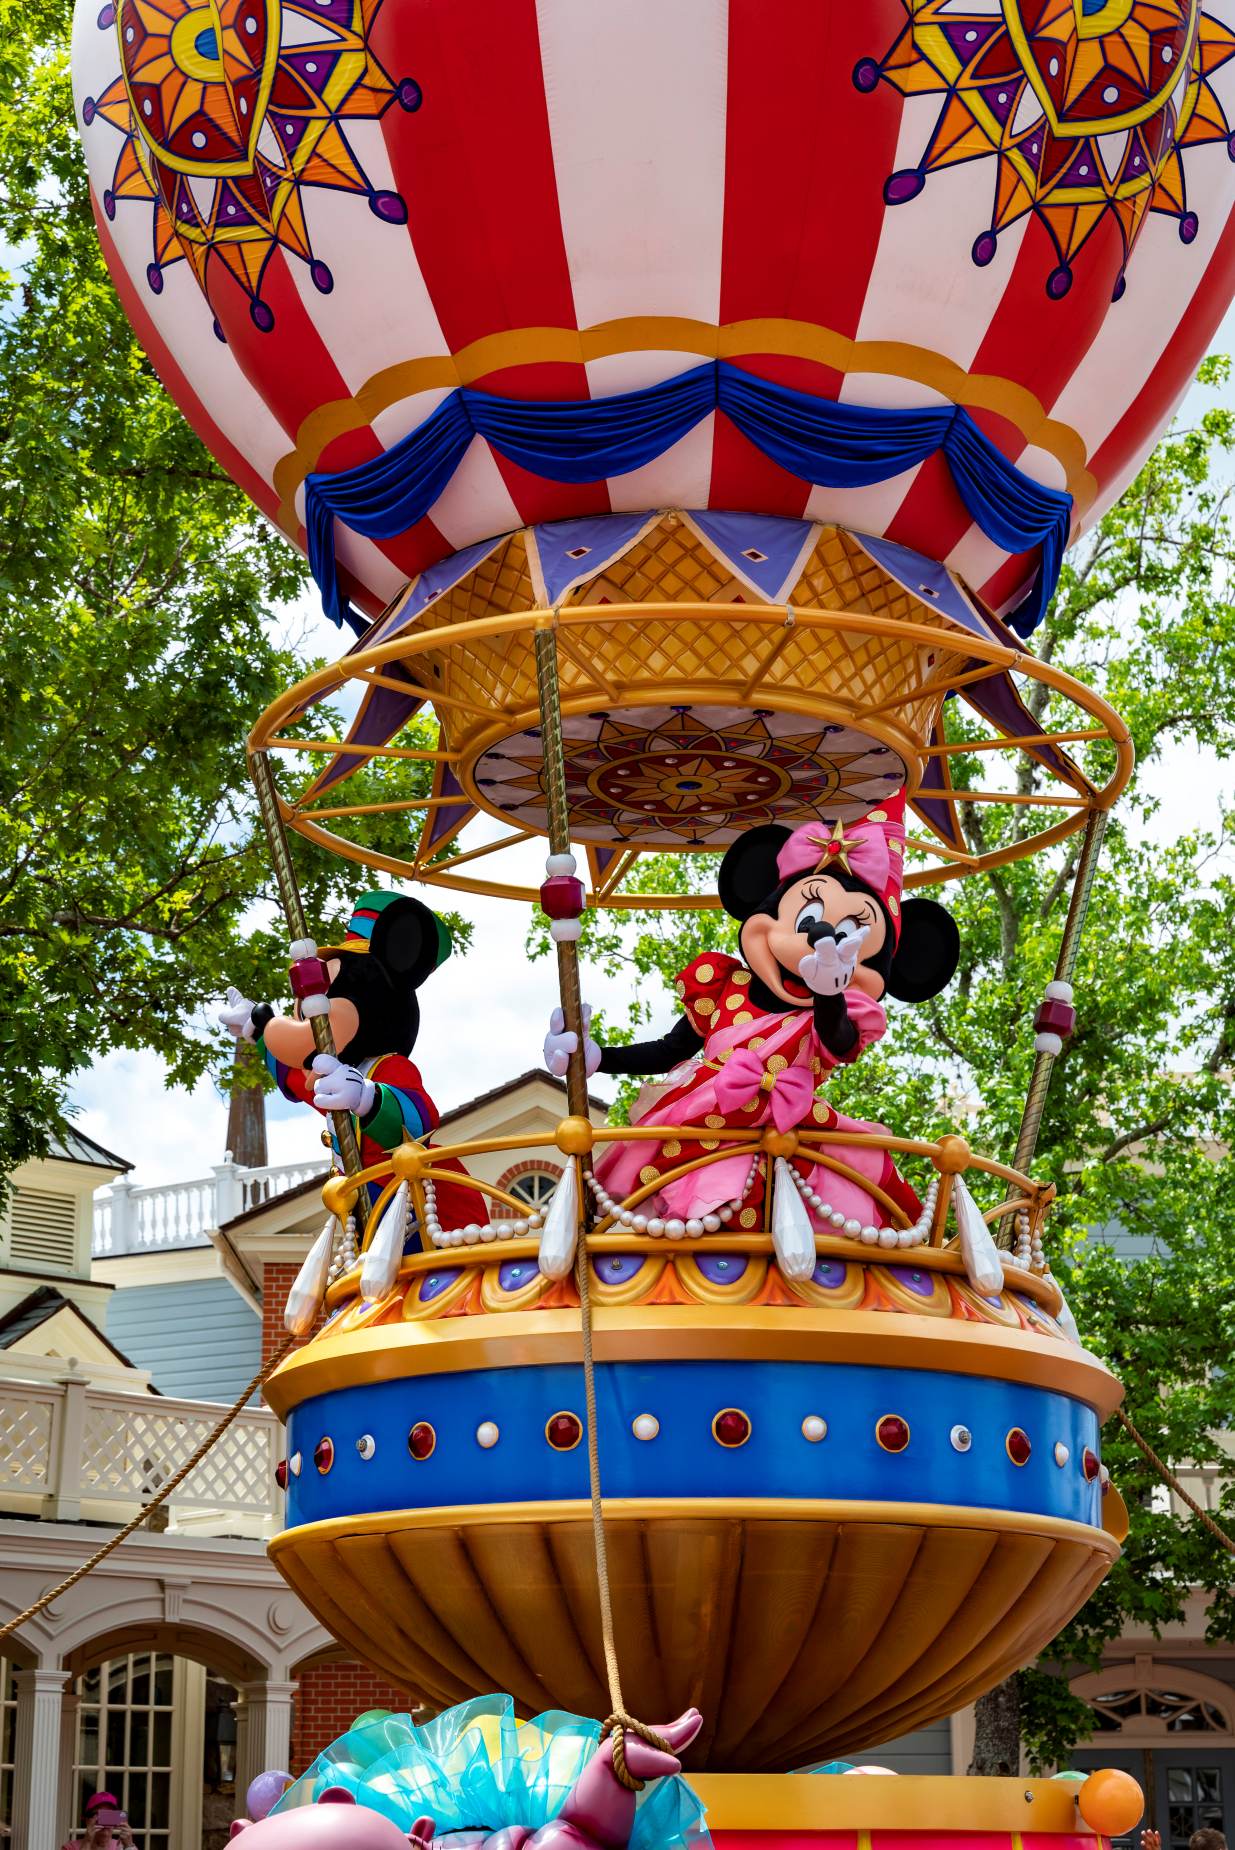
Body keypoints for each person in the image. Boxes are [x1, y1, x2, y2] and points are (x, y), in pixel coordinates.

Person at [61, 1791, 135, 1849]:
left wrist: (129, 1846)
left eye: (109, 1815)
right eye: (98, 1815)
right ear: (87, 1820)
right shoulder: (70, 1847)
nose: (105, 1823)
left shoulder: (122, 1847)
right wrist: (87, 1842)